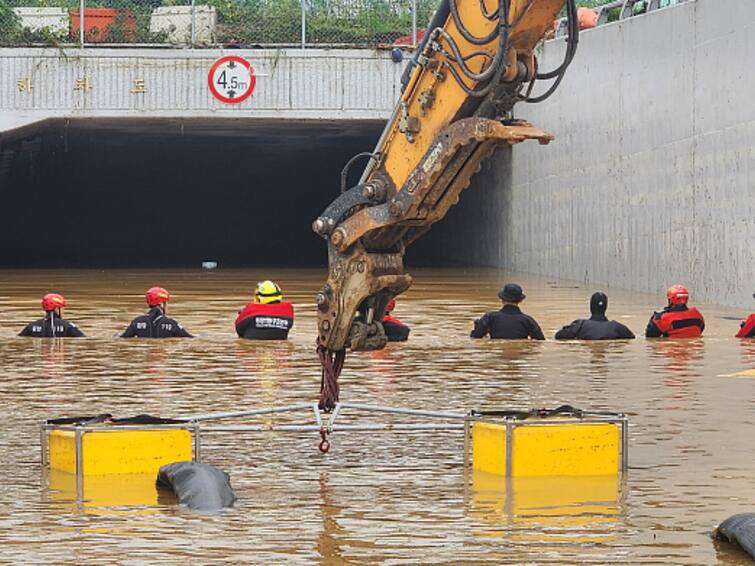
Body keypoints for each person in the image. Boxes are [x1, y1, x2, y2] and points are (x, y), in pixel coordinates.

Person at [470, 283, 545, 340]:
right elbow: (540, 340)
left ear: (502, 300)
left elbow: (475, 337)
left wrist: (479, 329)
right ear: (520, 300)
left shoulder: (490, 317)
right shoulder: (528, 320)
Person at [555, 292, 635, 340]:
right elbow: (632, 337)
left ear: (591, 307)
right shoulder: (617, 327)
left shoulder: (580, 325)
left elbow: (558, 336)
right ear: (606, 307)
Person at [121, 287, 193, 338]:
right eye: (166, 303)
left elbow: (123, 338)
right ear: (161, 304)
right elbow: (189, 338)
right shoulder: (172, 324)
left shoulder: (136, 322)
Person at [19, 293, 85, 337]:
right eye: (62, 308)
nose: (63, 311)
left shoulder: (31, 326)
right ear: (57, 309)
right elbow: (82, 338)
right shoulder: (68, 326)